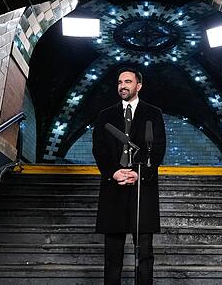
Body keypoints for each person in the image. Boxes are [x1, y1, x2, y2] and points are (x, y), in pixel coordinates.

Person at [92, 68, 166, 285]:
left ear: (138, 86)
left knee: (145, 255)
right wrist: (113, 172)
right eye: (119, 82)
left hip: (142, 191)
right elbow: (99, 149)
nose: (122, 86)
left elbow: (158, 149)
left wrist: (139, 174)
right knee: (112, 256)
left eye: (127, 82)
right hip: (113, 189)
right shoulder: (105, 116)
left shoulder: (154, 114)